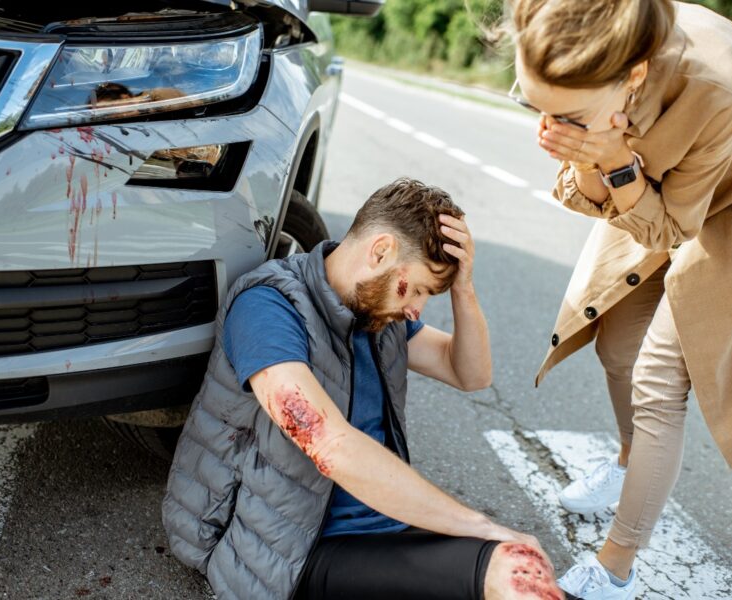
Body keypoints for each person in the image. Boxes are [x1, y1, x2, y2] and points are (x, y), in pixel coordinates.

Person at [503, 0, 732, 598]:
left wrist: (611, 159)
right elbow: (586, 196)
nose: (551, 125)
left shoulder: (714, 85)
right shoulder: (570, 43)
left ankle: (616, 568)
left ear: (632, 77)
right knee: (616, 339)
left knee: (660, 378)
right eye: (539, 107)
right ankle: (627, 462)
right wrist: (589, 153)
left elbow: (671, 229)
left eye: (569, 115)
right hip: (643, 169)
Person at [162, 177, 567, 600]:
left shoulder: (379, 314)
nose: (416, 308)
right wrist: (483, 527)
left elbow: (470, 373)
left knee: (523, 573)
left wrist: (463, 289)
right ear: (380, 252)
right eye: (418, 289)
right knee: (513, 572)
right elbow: (328, 443)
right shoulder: (268, 307)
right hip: (288, 552)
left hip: (381, 528)